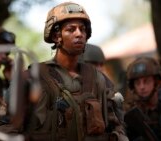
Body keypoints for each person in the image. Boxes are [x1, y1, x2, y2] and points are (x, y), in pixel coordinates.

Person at [23, 2, 128, 141]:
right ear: (56, 36)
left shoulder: (98, 78)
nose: (79, 34)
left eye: (82, 29)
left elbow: (116, 125)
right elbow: (6, 129)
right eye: (71, 29)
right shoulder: (33, 77)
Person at [83, 43, 125, 122]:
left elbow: (121, 116)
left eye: (101, 64)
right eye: (94, 64)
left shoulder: (110, 87)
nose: (99, 69)